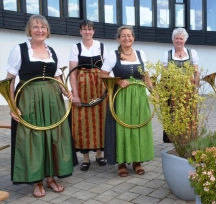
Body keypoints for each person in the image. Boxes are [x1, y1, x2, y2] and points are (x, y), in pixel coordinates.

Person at [6, 14, 75, 198]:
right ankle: (37, 180)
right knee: (33, 138)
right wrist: (13, 105)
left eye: (43, 27)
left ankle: (51, 177)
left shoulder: (51, 50)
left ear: (47, 31)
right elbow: (9, 82)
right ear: (29, 29)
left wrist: (65, 92)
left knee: (53, 136)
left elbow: (57, 77)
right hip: (29, 99)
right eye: (36, 27)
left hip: (53, 100)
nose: (40, 30)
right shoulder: (19, 50)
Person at [101, 25, 154, 177]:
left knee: (137, 126)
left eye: (129, 35)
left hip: (138, 96)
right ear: (118, 39)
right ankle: (122, 163)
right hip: (122, 97)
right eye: (123, 36)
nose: (127, 38)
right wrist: (117, 81)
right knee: (122, 128)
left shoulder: (140, 53)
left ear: (133, 37)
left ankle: (137, 161)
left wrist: (153, 92)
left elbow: (145, 76)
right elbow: (103, 74)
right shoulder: (113, 55)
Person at [69, 19, 107, 171]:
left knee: (100, 119)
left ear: (93, 31)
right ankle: (85, 158)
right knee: (83, 121)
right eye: (84, 29)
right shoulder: (76, 47)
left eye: (90, 29)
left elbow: (106, 69)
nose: (87, 32)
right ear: (80, 31)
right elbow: (72, 73)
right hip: (83, 87)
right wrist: (75, 95)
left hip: (99, 87)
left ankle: (99, 154)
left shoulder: (101, 46)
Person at [162, 28, 199, 143]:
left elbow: (196, 72)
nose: (179, 41)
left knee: (189, 114)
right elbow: (164, 75)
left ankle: (188, 139)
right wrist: (163, 92)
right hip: (173, 90)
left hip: (189, 89)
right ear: (173, 40)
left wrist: (196, 87)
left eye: (181, 39)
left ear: (185, 40)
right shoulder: (167, 54)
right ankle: (176, 140)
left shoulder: (192, 53)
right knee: (175, 115)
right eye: (176, 38)